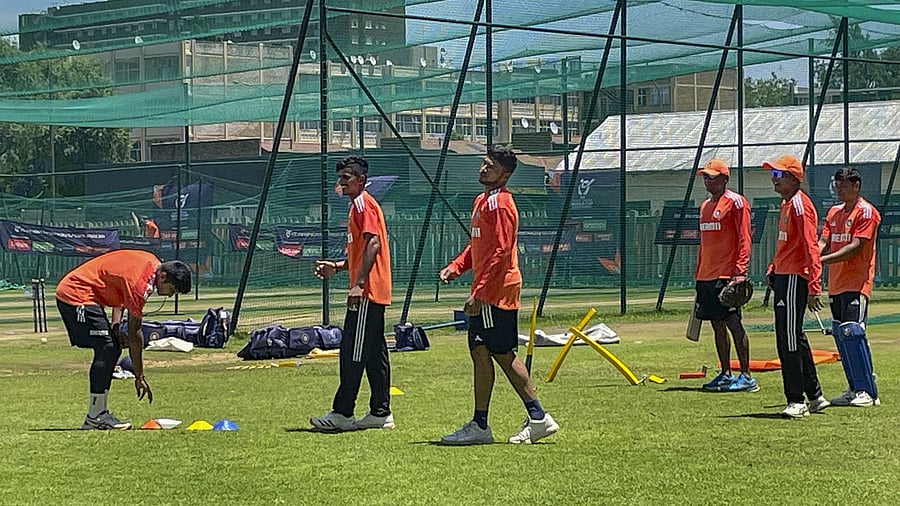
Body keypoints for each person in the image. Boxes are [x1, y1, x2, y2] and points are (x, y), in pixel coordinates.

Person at [438, 145, 558, 445]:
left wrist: (480, 293)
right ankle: (480, 424)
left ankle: (539, 417)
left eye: (490, 166)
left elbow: (502, 251)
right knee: (479, 350)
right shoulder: (482, 200)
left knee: (502, 353)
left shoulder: (501, 204)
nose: (483, 168)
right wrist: (457, 266)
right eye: (483, 163)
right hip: (487, 289)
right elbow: (479, 245)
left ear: (504, 174)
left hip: (497, 291)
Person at [55, 250, 192, 430]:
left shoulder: (152, 263)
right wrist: (139, 375)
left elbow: (120, 294)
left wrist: (116, 327)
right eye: (172, 290)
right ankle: (95, 417)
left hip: (87, 294)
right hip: (76, 293)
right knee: (107, 347)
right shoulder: (141, 284)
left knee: (111, 347)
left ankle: (98, 414)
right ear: (163, 276)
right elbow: (135, 335)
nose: (170, 296)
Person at [311, 155, 394, 432]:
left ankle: (343, 413)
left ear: (361, 180)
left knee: (352, 351)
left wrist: (358, 284)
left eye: (346, 178)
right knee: (373, 353)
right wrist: (337, 267)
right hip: (373, 291)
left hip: (368, 292)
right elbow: (361, 252)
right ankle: (380, 413)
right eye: (340, 178)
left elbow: (373, 244)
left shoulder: (363, 204)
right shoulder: (358, 206)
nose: (341, 182)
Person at [763, 154, 829, 418]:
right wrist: (773, 267)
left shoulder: (800, 206)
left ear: (794, 178)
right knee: (794, 336)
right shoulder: (786, 204)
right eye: (773, 175)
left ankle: (796, 400)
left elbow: (810, 247)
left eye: (779, 175)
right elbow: (786, 245)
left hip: (794, 278)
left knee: (787, 338)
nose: (774, 180)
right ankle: (815, 396)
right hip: (784, 275)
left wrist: (814, 285)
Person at [817, 166, 882, 407]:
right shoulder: (834, 212)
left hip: (857, 283)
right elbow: (824, 240)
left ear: (856, 186)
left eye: (844, 186)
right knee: (841, 335)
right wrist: (813, 255)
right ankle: (854, 387)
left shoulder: (867, 212)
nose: (839, 191)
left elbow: (855, 247)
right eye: (837, 186)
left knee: (853, 332)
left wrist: (822, 260)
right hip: (836, 284)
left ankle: (868, 391)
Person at [693, 159, 757, 392]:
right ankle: (725, 373)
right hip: (706, 275)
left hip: (726, 275)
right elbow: (704, 243)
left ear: (724, 179)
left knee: (733, 323)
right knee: (716, 324)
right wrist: (699, 271)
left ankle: (747, 376)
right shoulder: (704, 206)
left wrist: (739, 272)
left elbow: (744, 239)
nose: (707, 181)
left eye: (711, 176)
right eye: (705, 177)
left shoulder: (736, 202)